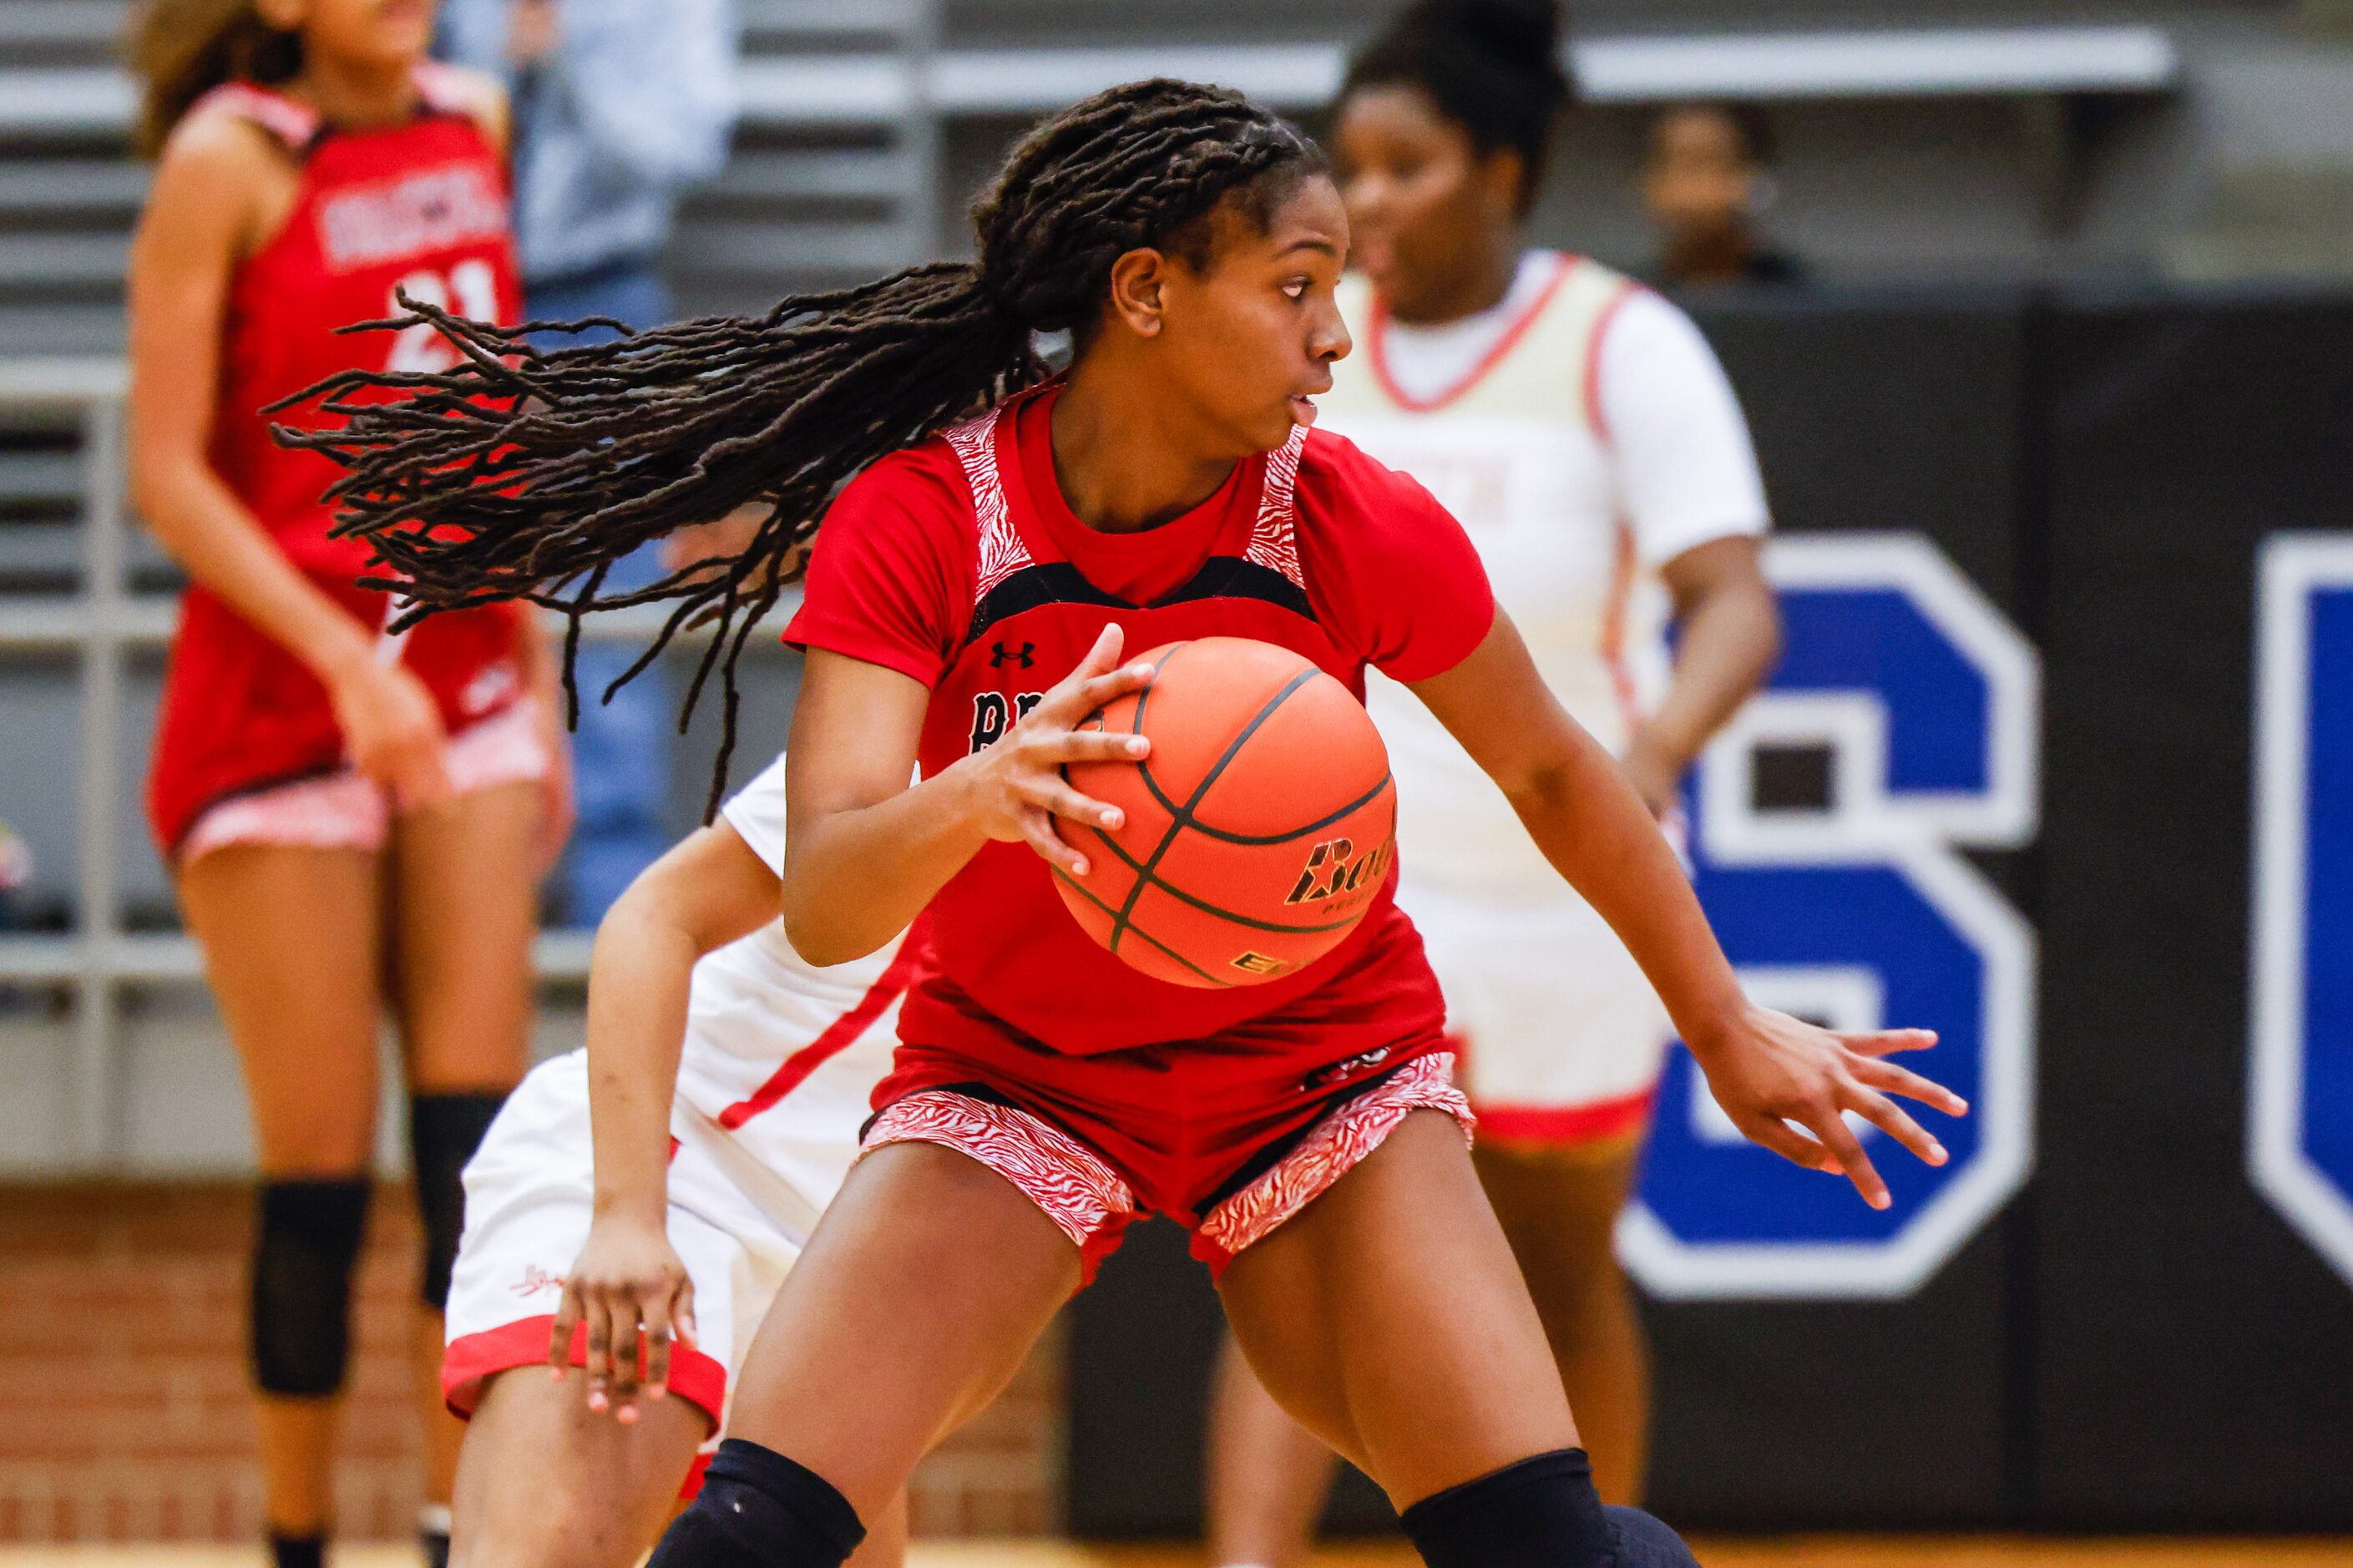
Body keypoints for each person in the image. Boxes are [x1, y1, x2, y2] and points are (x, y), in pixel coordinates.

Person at [295, 79, 1966, 1568]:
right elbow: (822, 905)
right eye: (1299, 289)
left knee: (1536, 1541)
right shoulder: (927, 517)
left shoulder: (1346, 521)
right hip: (1014, 1077)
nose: (1335, 338)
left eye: (1341, 298)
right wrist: (984, 791)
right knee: (743, 1543)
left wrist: (1722, 1019)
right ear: (1147, 295)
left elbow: (1553, 772)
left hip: (1318, 1070)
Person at [1203, 3, 1783, 1554]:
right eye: (1356, 171)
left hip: (1560, 882)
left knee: (1557, 1259)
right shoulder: (1299, 343)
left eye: (1411, 167)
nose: (1373, 202)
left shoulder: (1618, 339)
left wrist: (1649, 755)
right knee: (1300, 1227)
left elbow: (1732, 598)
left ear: (1506, 170)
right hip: (1333, 883)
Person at [123, 4, 570, 1566]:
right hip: (279, 706)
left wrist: (540, 678)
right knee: (318, 1177)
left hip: (460, 689)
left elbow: (489, 420)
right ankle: (298, 1541)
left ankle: (459, 1534)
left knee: (476, 1160)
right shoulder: (226, 159)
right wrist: (339, 660)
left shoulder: (475, 120)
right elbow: (166, 472)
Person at [438, 751, 908, 1568]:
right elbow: (654, 915)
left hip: (826, 1269)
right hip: (665, 1170)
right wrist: (625, 1215)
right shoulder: (913, 746)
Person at [435, 0, 741, 923]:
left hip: (596, 300)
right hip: (449, 293)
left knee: (602, 611)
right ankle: (448, 897)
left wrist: (565, 63)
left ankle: (605, 920)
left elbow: (688, 144)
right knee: (437, 588)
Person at [1642, 100, 1807, 288]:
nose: (1691, 189)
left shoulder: (1799, 296)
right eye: (1671, 165)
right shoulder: (1631, 304)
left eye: (1706, 164)